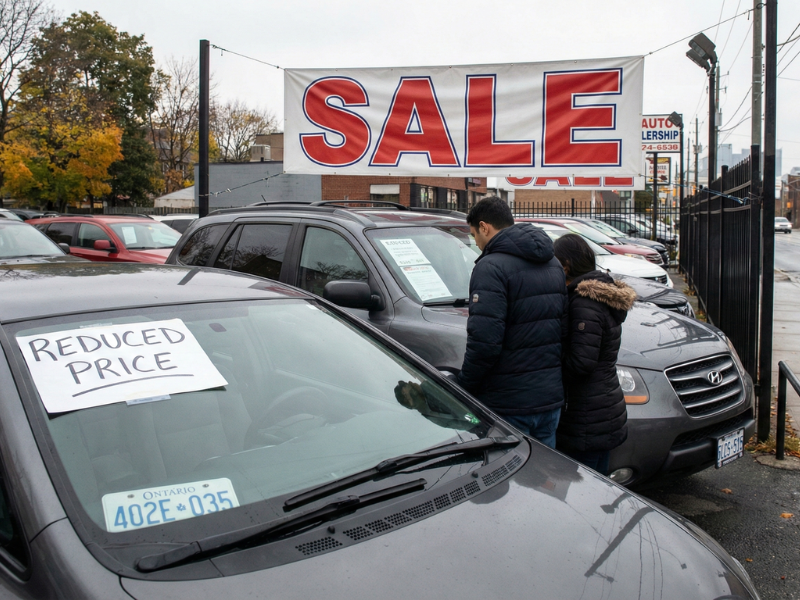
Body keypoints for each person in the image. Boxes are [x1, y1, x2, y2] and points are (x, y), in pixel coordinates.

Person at [456, 197, 567, 448]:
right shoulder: (553, 262)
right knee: (542, 480)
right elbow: (563, 329)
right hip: (550, 400)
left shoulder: (490, 267)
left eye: (474, 235)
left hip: (509, 403)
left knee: (509, 479)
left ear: (485, 227)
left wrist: (464, 387)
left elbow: (484, 343)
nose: (476, 243)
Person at [553, 233, 636, 475]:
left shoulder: (583, 303)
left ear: (566, 265)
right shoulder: (601, 296)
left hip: (587, 415)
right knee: (600, 485)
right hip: (604, 406)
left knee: (585, 489)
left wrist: (550, 363)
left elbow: (581, 363)